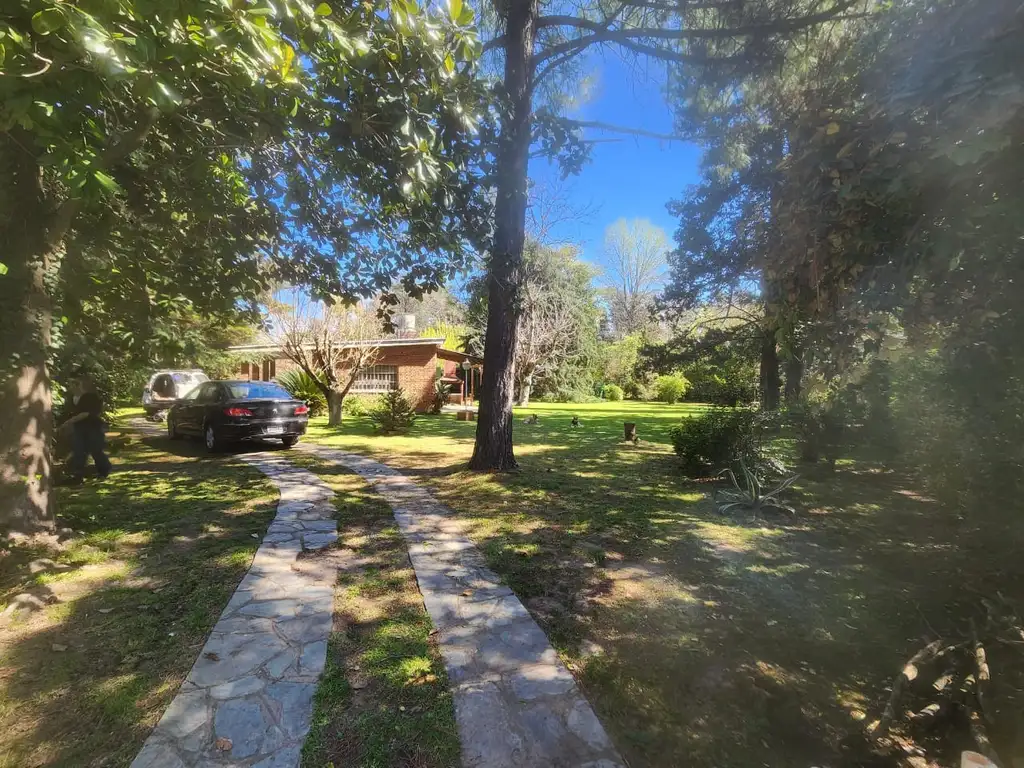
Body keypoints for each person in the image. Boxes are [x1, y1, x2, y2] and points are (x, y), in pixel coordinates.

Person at [62, 373, 112, 482]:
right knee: (78, 450)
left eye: (71, 385)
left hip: (92, 426)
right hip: (79, 427)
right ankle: (78, 474)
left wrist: (68, 422)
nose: (69, 388)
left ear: (78, 385)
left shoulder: (91, 397)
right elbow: (69, 412)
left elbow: (85, 413)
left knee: (96, 450)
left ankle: (104, 471)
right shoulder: (71, 398)